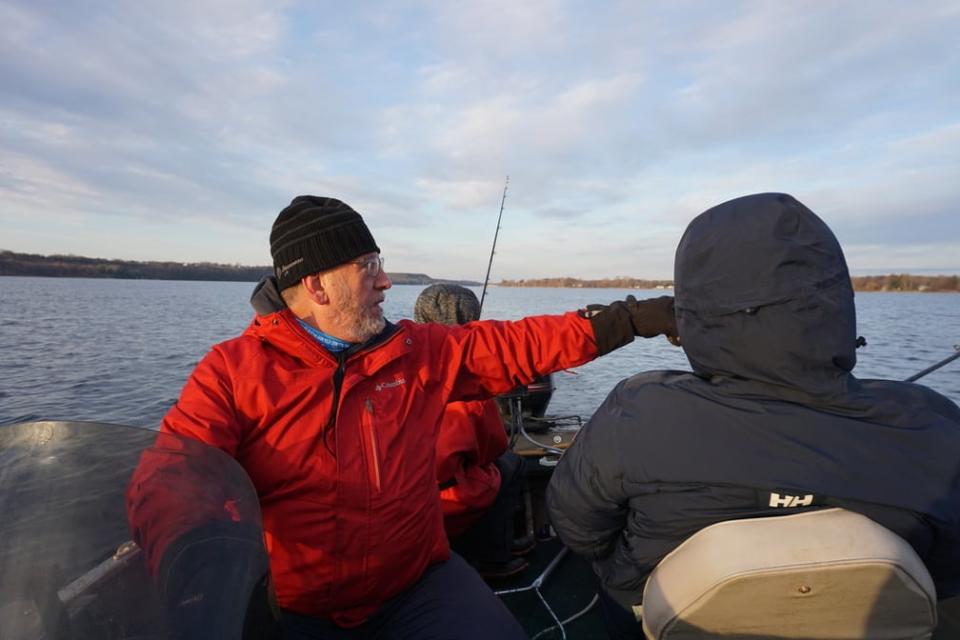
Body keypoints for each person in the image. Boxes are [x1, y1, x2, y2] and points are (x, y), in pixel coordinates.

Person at [130, 195, 678, 639]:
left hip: (416, 585)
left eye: (380, 265)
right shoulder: (234, 371)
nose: (386, 281)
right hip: (297, 610)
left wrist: (628, 318)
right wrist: (190, 558)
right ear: (317, 284)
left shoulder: (415, 351)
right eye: (368, 267)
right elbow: (174, 473)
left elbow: (515, 345)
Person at [546, 192, 960, 639]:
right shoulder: (931, 422)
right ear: (836, 301)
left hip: (656, 615)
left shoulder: (639, 408)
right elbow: (948, 567)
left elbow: (578, 529)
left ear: (694, 312)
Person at [414, 284, 530, 579]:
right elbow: (493, 445)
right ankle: (494, 558)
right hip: (443, 498)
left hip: (402, 496)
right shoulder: (468, 388)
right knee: (509, 465)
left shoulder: (393, 366)